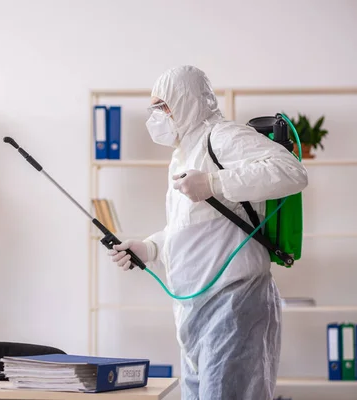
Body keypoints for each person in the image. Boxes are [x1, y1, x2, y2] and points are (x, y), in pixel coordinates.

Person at [107, 65, 308, 399]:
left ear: (185, 102)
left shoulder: (222, 136)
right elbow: (191, 229)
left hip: (233, 302)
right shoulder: (183, 154)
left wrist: (215, 182)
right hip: (196, 312)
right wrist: (149, 248)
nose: (156, 116)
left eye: (163, 106)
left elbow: (291, 172)